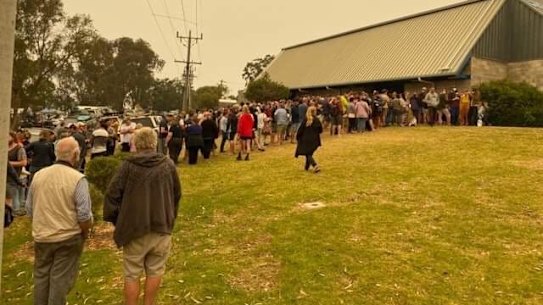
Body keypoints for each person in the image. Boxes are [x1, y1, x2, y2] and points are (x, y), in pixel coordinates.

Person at [104, 127, 181, 305]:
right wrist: (170, 217)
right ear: (154, 143)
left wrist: (119, 221)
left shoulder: (128, 167)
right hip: (161, 226)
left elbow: (112, 196)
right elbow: (176, 194)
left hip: (135, 229)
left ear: (135, 143)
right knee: (155, 271)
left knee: (132, 273)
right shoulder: (167, 165)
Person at [27, 137, 93, 305]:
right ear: (76, 154)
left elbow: (29, 209)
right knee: (59, 281)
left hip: (42, 236)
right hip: (67, 237)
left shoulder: (38, 176)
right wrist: (85, 233)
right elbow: (84, 215)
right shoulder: (78, 179)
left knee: (41, 278)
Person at [295, 106, 323, 173]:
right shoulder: (317, 120)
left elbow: (300, 130)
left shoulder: (306, 120)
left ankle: (315, 165)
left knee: (308, 154)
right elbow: (320, 130)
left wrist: (297, 136)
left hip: (306, 140)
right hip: (315, 140)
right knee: (309, 153)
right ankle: (306, 167)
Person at [8, 132, 27, 215]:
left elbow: (23, 162)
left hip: (14, 175)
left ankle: (15, 211)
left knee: (13, 194)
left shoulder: (19, 148)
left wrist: (8, 163)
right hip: (4, 175)